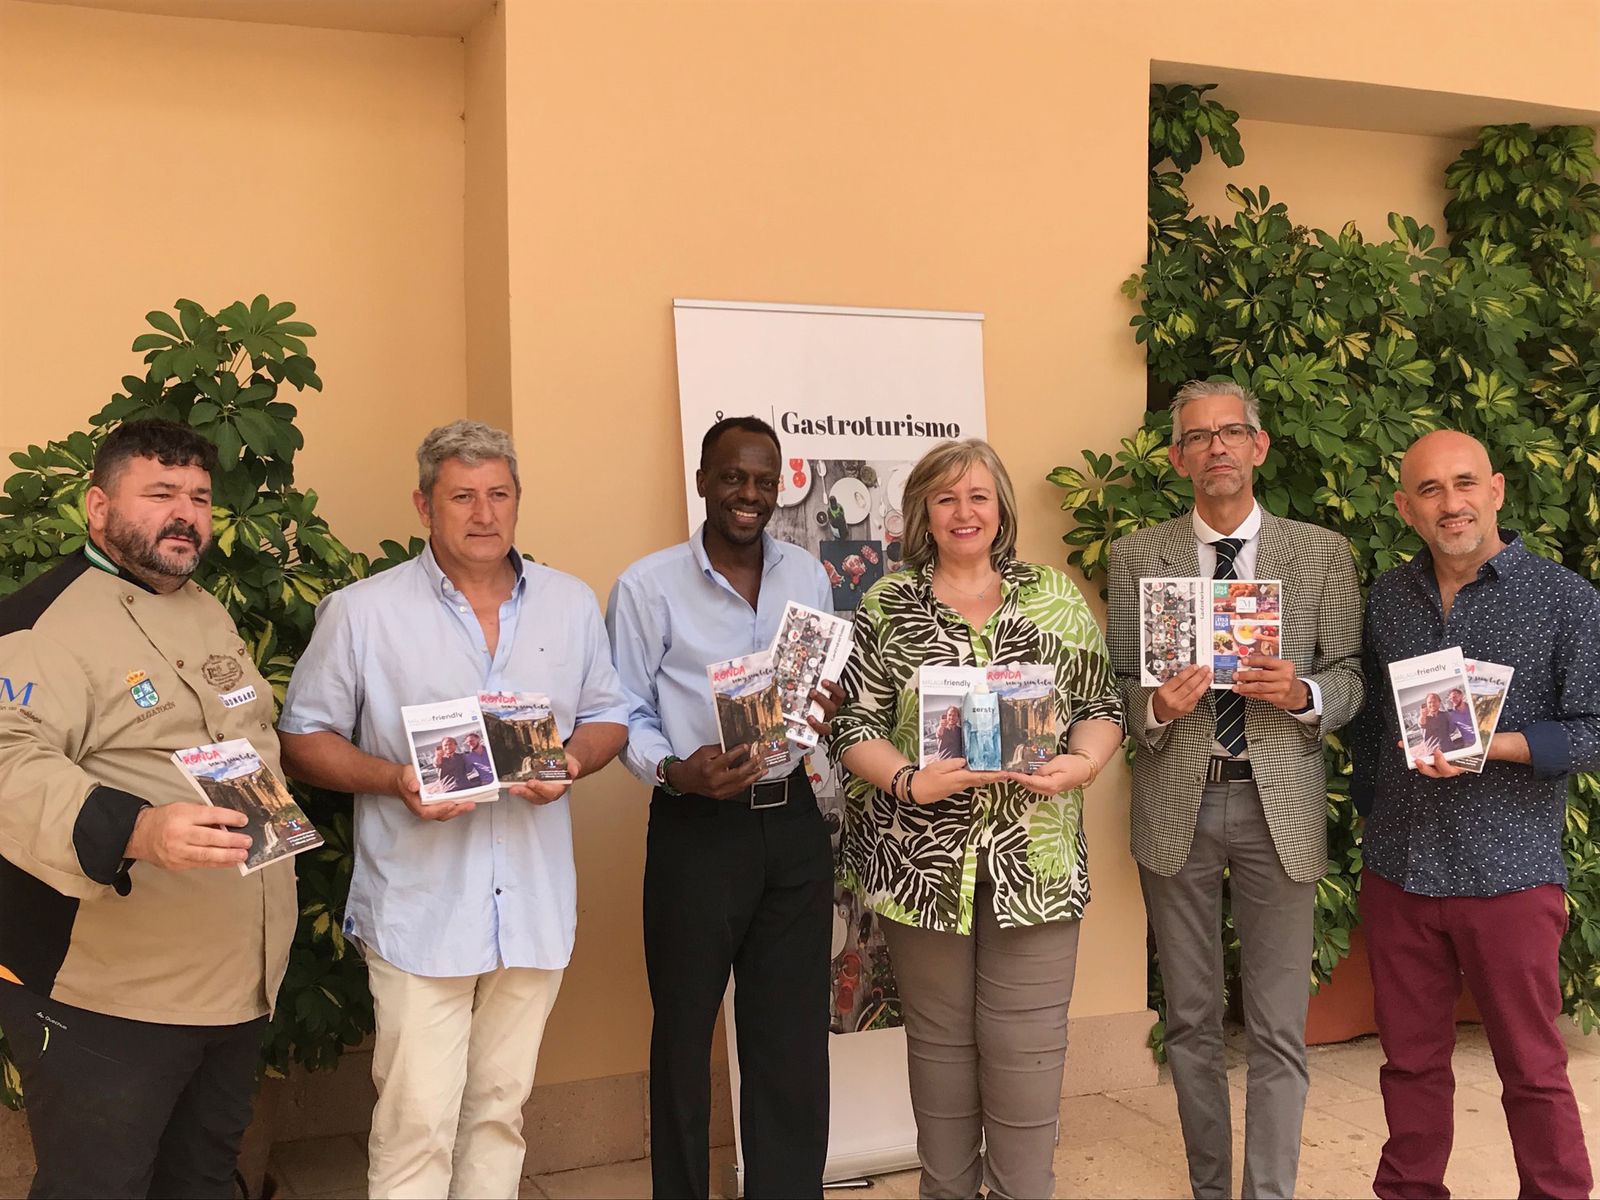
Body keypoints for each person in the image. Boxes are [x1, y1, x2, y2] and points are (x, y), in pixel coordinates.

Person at [277, 420, 628, 1200]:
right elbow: (302, 738)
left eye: (499, 494)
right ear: (423, 504)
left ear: (517, 501)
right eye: (462, 495)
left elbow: (609, 715)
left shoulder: (568, 604)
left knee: (501, 1112)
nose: (483, 513)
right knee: (416, 1122)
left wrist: (572, 760)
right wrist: (395, 777)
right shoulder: (362, 612)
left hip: (532, 905)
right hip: (422, 906)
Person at [0, 419, 293, 1198]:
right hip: (109, 993)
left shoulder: (205, 609)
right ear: (98, 508)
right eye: (160, 492)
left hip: (237, 979)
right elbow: (8, 762)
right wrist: (133, 826)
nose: (186, 512)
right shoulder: (41, 622)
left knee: (200, 1180)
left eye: (199, 497)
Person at [830, 438, 1124, 1200]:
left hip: (1036, 867)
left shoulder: (1053, 598)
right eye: (947, 498)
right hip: (921, 870)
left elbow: (1100, 708)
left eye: (979, 497)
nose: (966, 512)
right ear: (925, 512)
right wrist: (905, 780)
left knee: (1027, 1057)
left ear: (1001, 510)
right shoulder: (888, 606)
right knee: (940, 1053)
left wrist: (1082, 764)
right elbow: (851, 725)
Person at [1105, 379, 1364, 1200]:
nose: (1216, 446)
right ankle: (1211, 1190)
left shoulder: (1321, 554)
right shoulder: (1137, 557)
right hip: (1177, 801)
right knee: (1189, 1019)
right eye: (1198, 436)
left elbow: (1354, 677)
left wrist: (1305, 695)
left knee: (1280, 1028)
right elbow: (1114, 687)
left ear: (1259, 446)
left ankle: (1269, 1194)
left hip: (1276, 802)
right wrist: (1154, 705)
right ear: (1178, 458)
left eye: (1232, 432)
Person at [1352, 429, 1598, 1199]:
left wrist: (1500, 745)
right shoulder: (1387, 600)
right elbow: (1366, 729)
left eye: (1464, 484)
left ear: (1495, 489)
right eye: (1429, 490)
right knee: (1410, 1066)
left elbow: (1596, 731)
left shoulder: (1566, 599)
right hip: (1401, 871)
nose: (1449, 503)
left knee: (1531, 1067)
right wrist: (1375, 816)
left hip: (1512, 875)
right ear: (1405, 507)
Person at [605, 415, 843, 1200]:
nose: (749, 494)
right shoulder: (647, 586)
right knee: (682, 1038)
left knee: (790, 1042)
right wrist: (676, 770)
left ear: (781, 486)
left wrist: (825, 708)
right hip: (696, 829)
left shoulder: (807, 575)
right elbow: (622, 711)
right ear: (702, 480)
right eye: (733, 477)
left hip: (793, 823)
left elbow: (815, 686)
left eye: (764, 480)